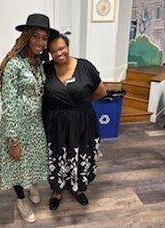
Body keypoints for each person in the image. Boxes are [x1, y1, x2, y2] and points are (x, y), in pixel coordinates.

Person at [0, 14, 58, 223]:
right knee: (16, 164)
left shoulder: (39, 61)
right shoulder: (14, 64)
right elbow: (9, 103)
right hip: (17, 125)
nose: (41, 43)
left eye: (44, 38)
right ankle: (21, 200)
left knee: (33, 159)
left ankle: (32, 185)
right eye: (36, 37)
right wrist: (12, 139)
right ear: (26, 37)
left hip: (35, 123)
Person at [42, 34, 107, 210]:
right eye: (54, 51)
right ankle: (57, 191)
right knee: (57, 155)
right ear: (49, 53)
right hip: (55, 124)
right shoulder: (45, 69)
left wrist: (80, 104)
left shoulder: (85, 66)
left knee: (80, 153)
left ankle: (78, 190)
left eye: (62, 48)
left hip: (82, 121)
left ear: (68, 46)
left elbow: (101, 92)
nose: (59, 53)